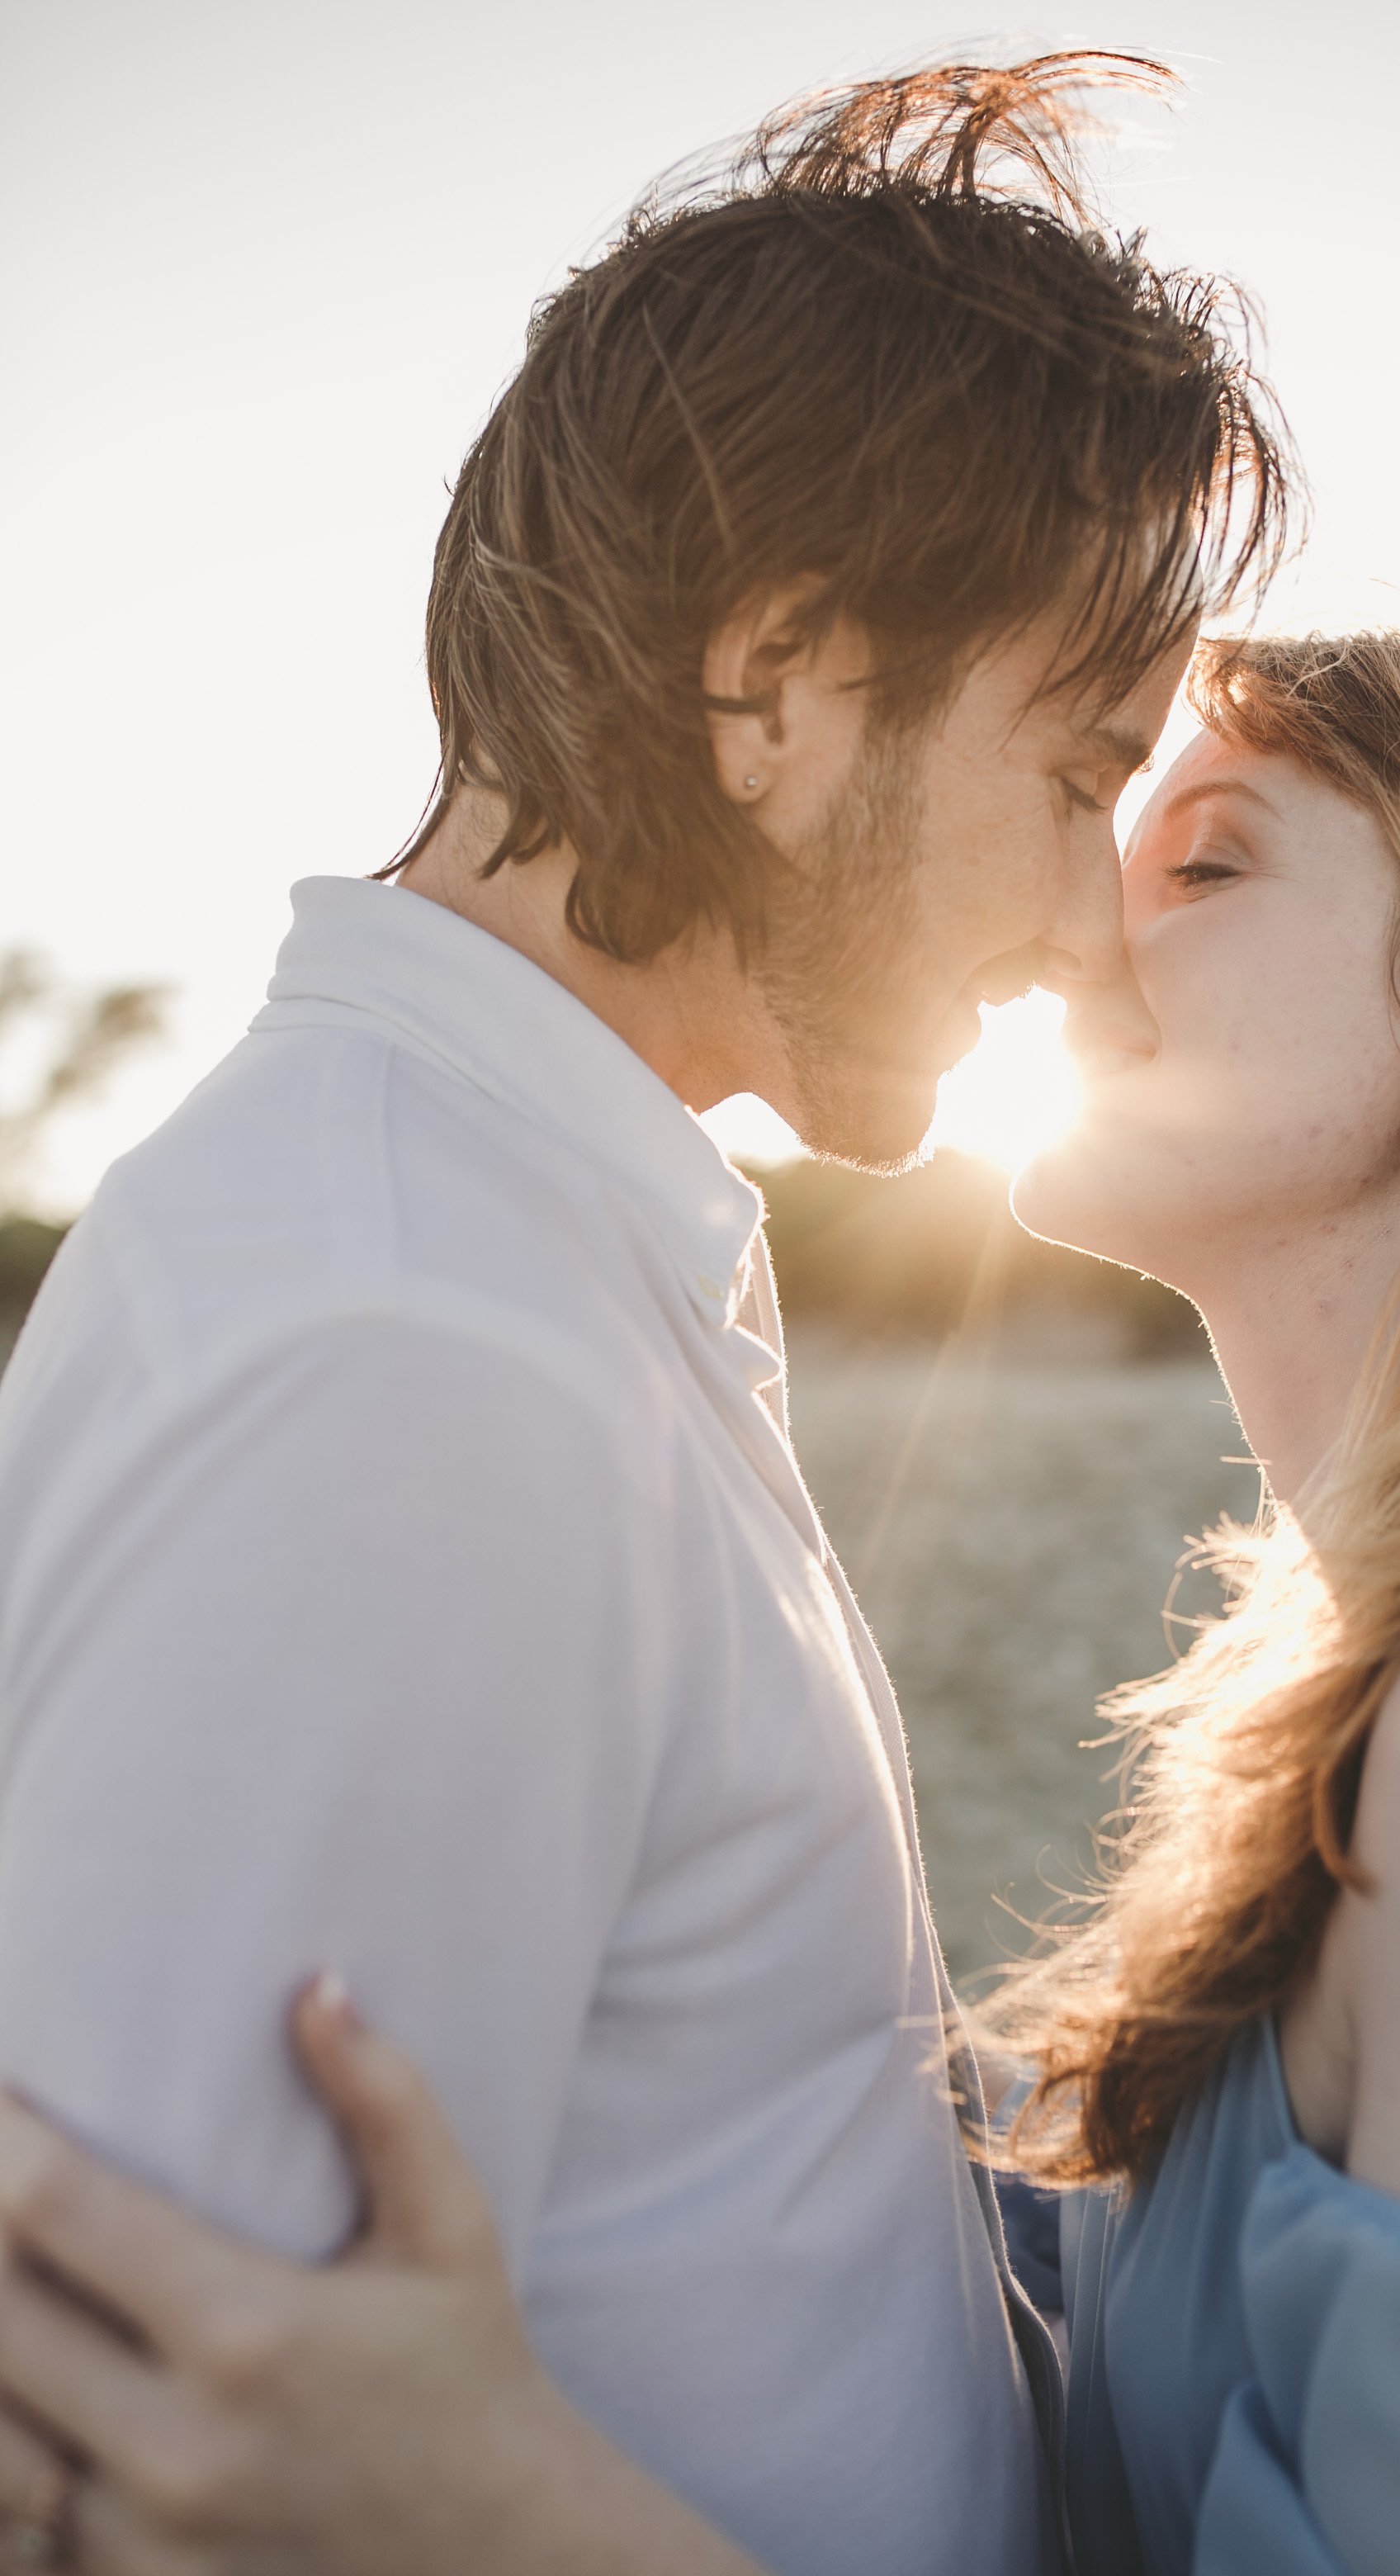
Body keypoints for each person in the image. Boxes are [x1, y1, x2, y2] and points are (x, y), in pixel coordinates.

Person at [1, 631, 1400, 2576]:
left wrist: (494, 2514)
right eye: (1089, 813)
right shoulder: (1389, 1686)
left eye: (1204, 861)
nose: (1076, 931)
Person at [0, 50, 1290, 2576]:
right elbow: (152, 2486)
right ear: (779, 686)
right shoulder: (416, 1359)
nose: (1085, 927)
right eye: (1077, 772)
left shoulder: (505, 1239)